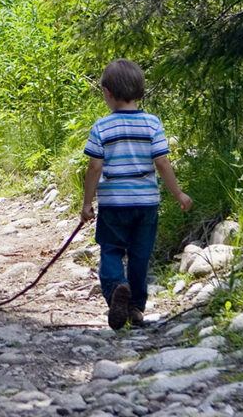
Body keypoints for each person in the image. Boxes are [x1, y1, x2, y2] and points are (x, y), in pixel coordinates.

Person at [80, 58, 193, 329]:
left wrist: (86, 203)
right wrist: (178, 194)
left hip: (114, 204)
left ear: (106, 93)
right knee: (140, 255)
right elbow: (162, 162)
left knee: (110, 250)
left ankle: (116, 288)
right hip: (146, 204)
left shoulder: (101, 127)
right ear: (140, 90)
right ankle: (136, 308)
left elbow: (94, 167)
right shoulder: (152, 124)